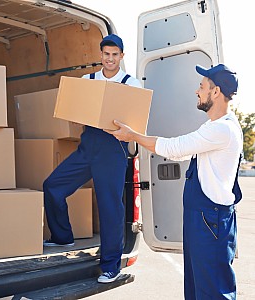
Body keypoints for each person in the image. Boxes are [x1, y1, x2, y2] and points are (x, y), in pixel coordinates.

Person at [105, 64, 243, 299]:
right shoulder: (213, 127)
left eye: (201, 87)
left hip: (211, 220)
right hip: (205, 218)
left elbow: (174, 148)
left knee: (213, 290)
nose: (196, 91)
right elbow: (182, 151)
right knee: (198, 285)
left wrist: (133, 136)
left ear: (216, 91)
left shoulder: (222, 129)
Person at [43, 34, 142, 284]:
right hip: (88, 148)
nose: (110, 59)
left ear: (121, 56)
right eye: (106, 54)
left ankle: (111, 266)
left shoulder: (132, 84)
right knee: (53, 186)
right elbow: (73, 111)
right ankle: (63, 236)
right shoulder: (87, 80)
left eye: (115, 55)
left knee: (110, 208)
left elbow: (138, 120)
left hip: (113, 150)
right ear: (101, 55)